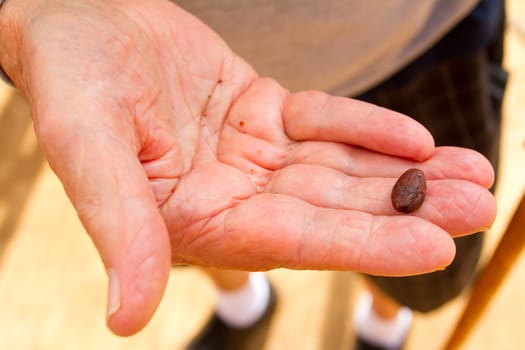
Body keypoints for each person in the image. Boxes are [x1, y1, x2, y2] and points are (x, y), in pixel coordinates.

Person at [0, 0, 499, 348]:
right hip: (172, 74)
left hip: (413, 38)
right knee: (190, 211)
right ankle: (243, 305)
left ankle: (384, 323)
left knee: (421, 266)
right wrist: (22, 14)